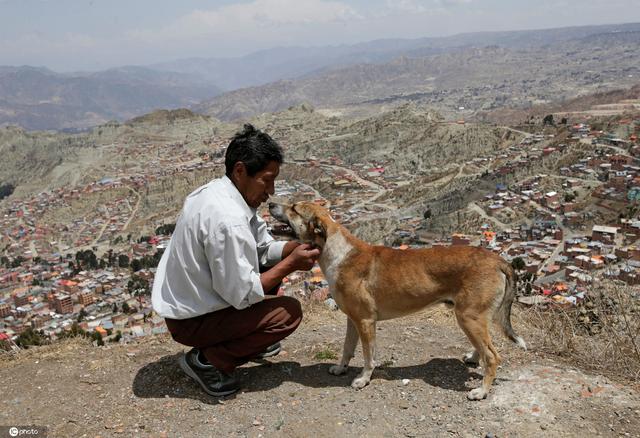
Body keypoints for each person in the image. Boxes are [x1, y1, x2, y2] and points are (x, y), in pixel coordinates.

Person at [152, 124, 320, 396]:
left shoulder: (223, 193)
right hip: (191, 321)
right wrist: (291, 265)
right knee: (288, 314)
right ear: (240, 171)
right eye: (266, 180)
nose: (271, 190)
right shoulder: (228, 220)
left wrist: (293, 247)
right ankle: (207, 361)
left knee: (267, 267)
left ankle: (244, 339)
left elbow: (262, 249)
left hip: (194, 305)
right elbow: (242, 294)